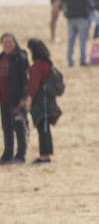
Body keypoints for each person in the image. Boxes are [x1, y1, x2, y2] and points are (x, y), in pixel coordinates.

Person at [25, 39, 58, 163]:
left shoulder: (38, 65)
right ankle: (46, 154)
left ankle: (44, 156)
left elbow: (34, 85)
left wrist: (29, 99)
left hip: (41, 101)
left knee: (42, 128)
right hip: (48, 100)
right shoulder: (47, 63)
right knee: (45, 128)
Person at [1, 33, 30, 164]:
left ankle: (20, 155)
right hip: (4, 99)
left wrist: (24, 97)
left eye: (10, 42)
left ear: (15, 43)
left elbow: (26, 80)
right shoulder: (1, 58)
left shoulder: (21, 58)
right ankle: (7, 155)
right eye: (5, 42)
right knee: (6, 128)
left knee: (19, 127)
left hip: (17, 100)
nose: (7, 45)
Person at [61, 0, 94, 67]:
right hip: (82, 19)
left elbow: (61, 5)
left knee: (71, 40)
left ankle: (70, 60)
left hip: (71, 19)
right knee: (82, 40)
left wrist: (66, 13)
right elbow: (91, 5)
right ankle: (82, 60)